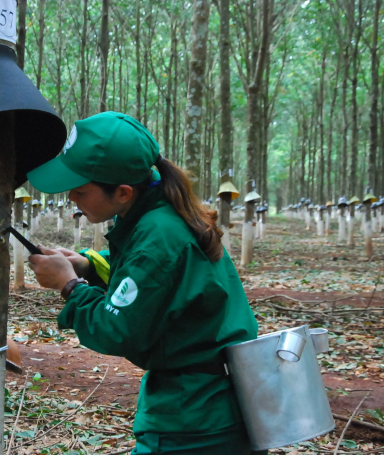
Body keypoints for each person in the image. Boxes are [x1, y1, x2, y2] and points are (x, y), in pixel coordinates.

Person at [26, 112, 265, 454]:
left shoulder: (159, 236)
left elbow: (116, 328)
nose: (71, 199)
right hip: (211, 404)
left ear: (123, 192)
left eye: (79, 190)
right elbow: (159, 282)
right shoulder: (161, 214)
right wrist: (88, 267)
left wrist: (69, 285)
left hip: (194, 421)